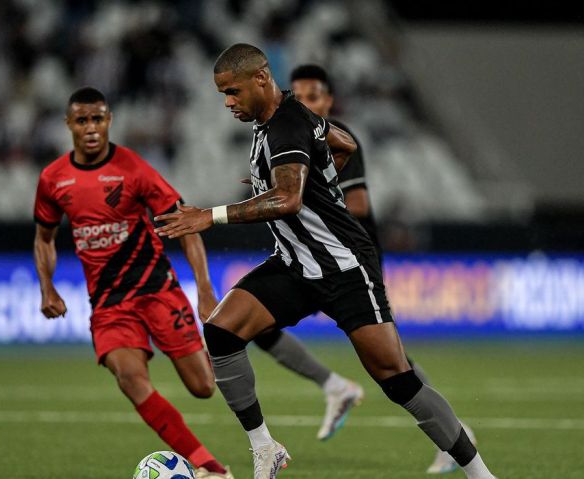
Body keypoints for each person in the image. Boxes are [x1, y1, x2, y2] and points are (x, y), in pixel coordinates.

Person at [155, 44, 495, 479]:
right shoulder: (282, 121)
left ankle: (480, 474)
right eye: (223, 94)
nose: (227, 103)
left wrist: (210, 215)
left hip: (344, 268)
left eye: (233, 92)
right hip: (295, 266)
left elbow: (289, 199)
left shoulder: (287, 124)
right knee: (222, 331)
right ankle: (265, 448)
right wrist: (305, 171)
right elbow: (345, 144)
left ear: (261, 78)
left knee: (397, 378)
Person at [33, 87, 233, 479]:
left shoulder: (134, 170)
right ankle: (211, 468)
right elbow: (43, 238)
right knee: (129, 378)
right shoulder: (53, 179)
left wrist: (204, 289)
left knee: (203, 386)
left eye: (98, 118)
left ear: (109, 120)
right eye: (82, 120)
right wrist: (47, 286)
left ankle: (231, 346)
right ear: (68, 124)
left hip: (157, 290)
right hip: (109, 304)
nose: (91, 127)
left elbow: (187, 227)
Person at [290, 63, 477, 474]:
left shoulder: (337, 137)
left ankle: (454, 433)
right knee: (252, 322)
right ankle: (331, 386)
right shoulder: (291, 138)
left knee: (390, 359)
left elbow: (357, 206)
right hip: (317, 258)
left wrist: (300, 197)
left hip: (353, 260)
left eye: (313, 96)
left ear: (328, 100)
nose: (305, 103)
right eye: (298, 96)